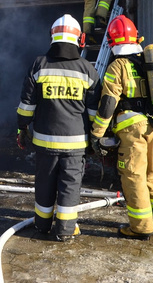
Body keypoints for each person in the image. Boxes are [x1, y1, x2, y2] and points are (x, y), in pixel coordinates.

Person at [16, 14, 100, 242]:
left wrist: (22, 129)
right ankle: (64, 230)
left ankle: (42, 225)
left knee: (44, 183)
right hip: (76, 144)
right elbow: (94, 112)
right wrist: (95, 140)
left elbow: (26, 105)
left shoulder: (39, 64)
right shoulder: (87, 69)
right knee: (70, 186)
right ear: (79, 39)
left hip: (45, 142)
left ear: (52, 36)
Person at [90, 15, 153, 240]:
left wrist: (96, 133)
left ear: (113, 43)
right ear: (136, 38)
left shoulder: (118, 66)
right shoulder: (147, 61)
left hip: (133, 130)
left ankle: (141, 228)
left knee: (133, 176)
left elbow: (108, 103)